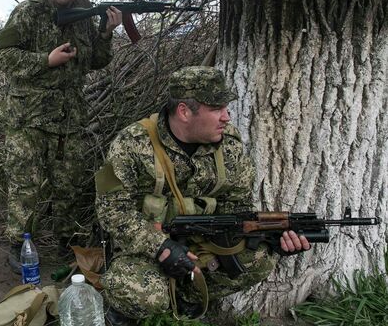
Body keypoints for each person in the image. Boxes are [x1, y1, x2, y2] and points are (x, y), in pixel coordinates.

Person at [94, 66, 311, 323]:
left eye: (226, 108)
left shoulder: (229, 144)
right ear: (184, 111)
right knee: (139, 293)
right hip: (144, 245)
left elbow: (238, 204)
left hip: (202, 242)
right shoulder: (130, 143)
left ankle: (187, 298)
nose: (226, 117)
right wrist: (160, 247)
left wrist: (270, 235)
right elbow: (111, 209)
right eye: (217, 109)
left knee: (259, 260)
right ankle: (125, 312)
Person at [0, 0, 122, 272]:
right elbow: (2, 57)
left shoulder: (84, 12)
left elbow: (94, 60)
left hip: (69, 119)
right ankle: (19, 245)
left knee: (72, 184)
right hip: (29, 119)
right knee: (27, 185)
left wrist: (106, 33)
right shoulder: (28, 12)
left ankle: (70, 243)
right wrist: (45, 61)